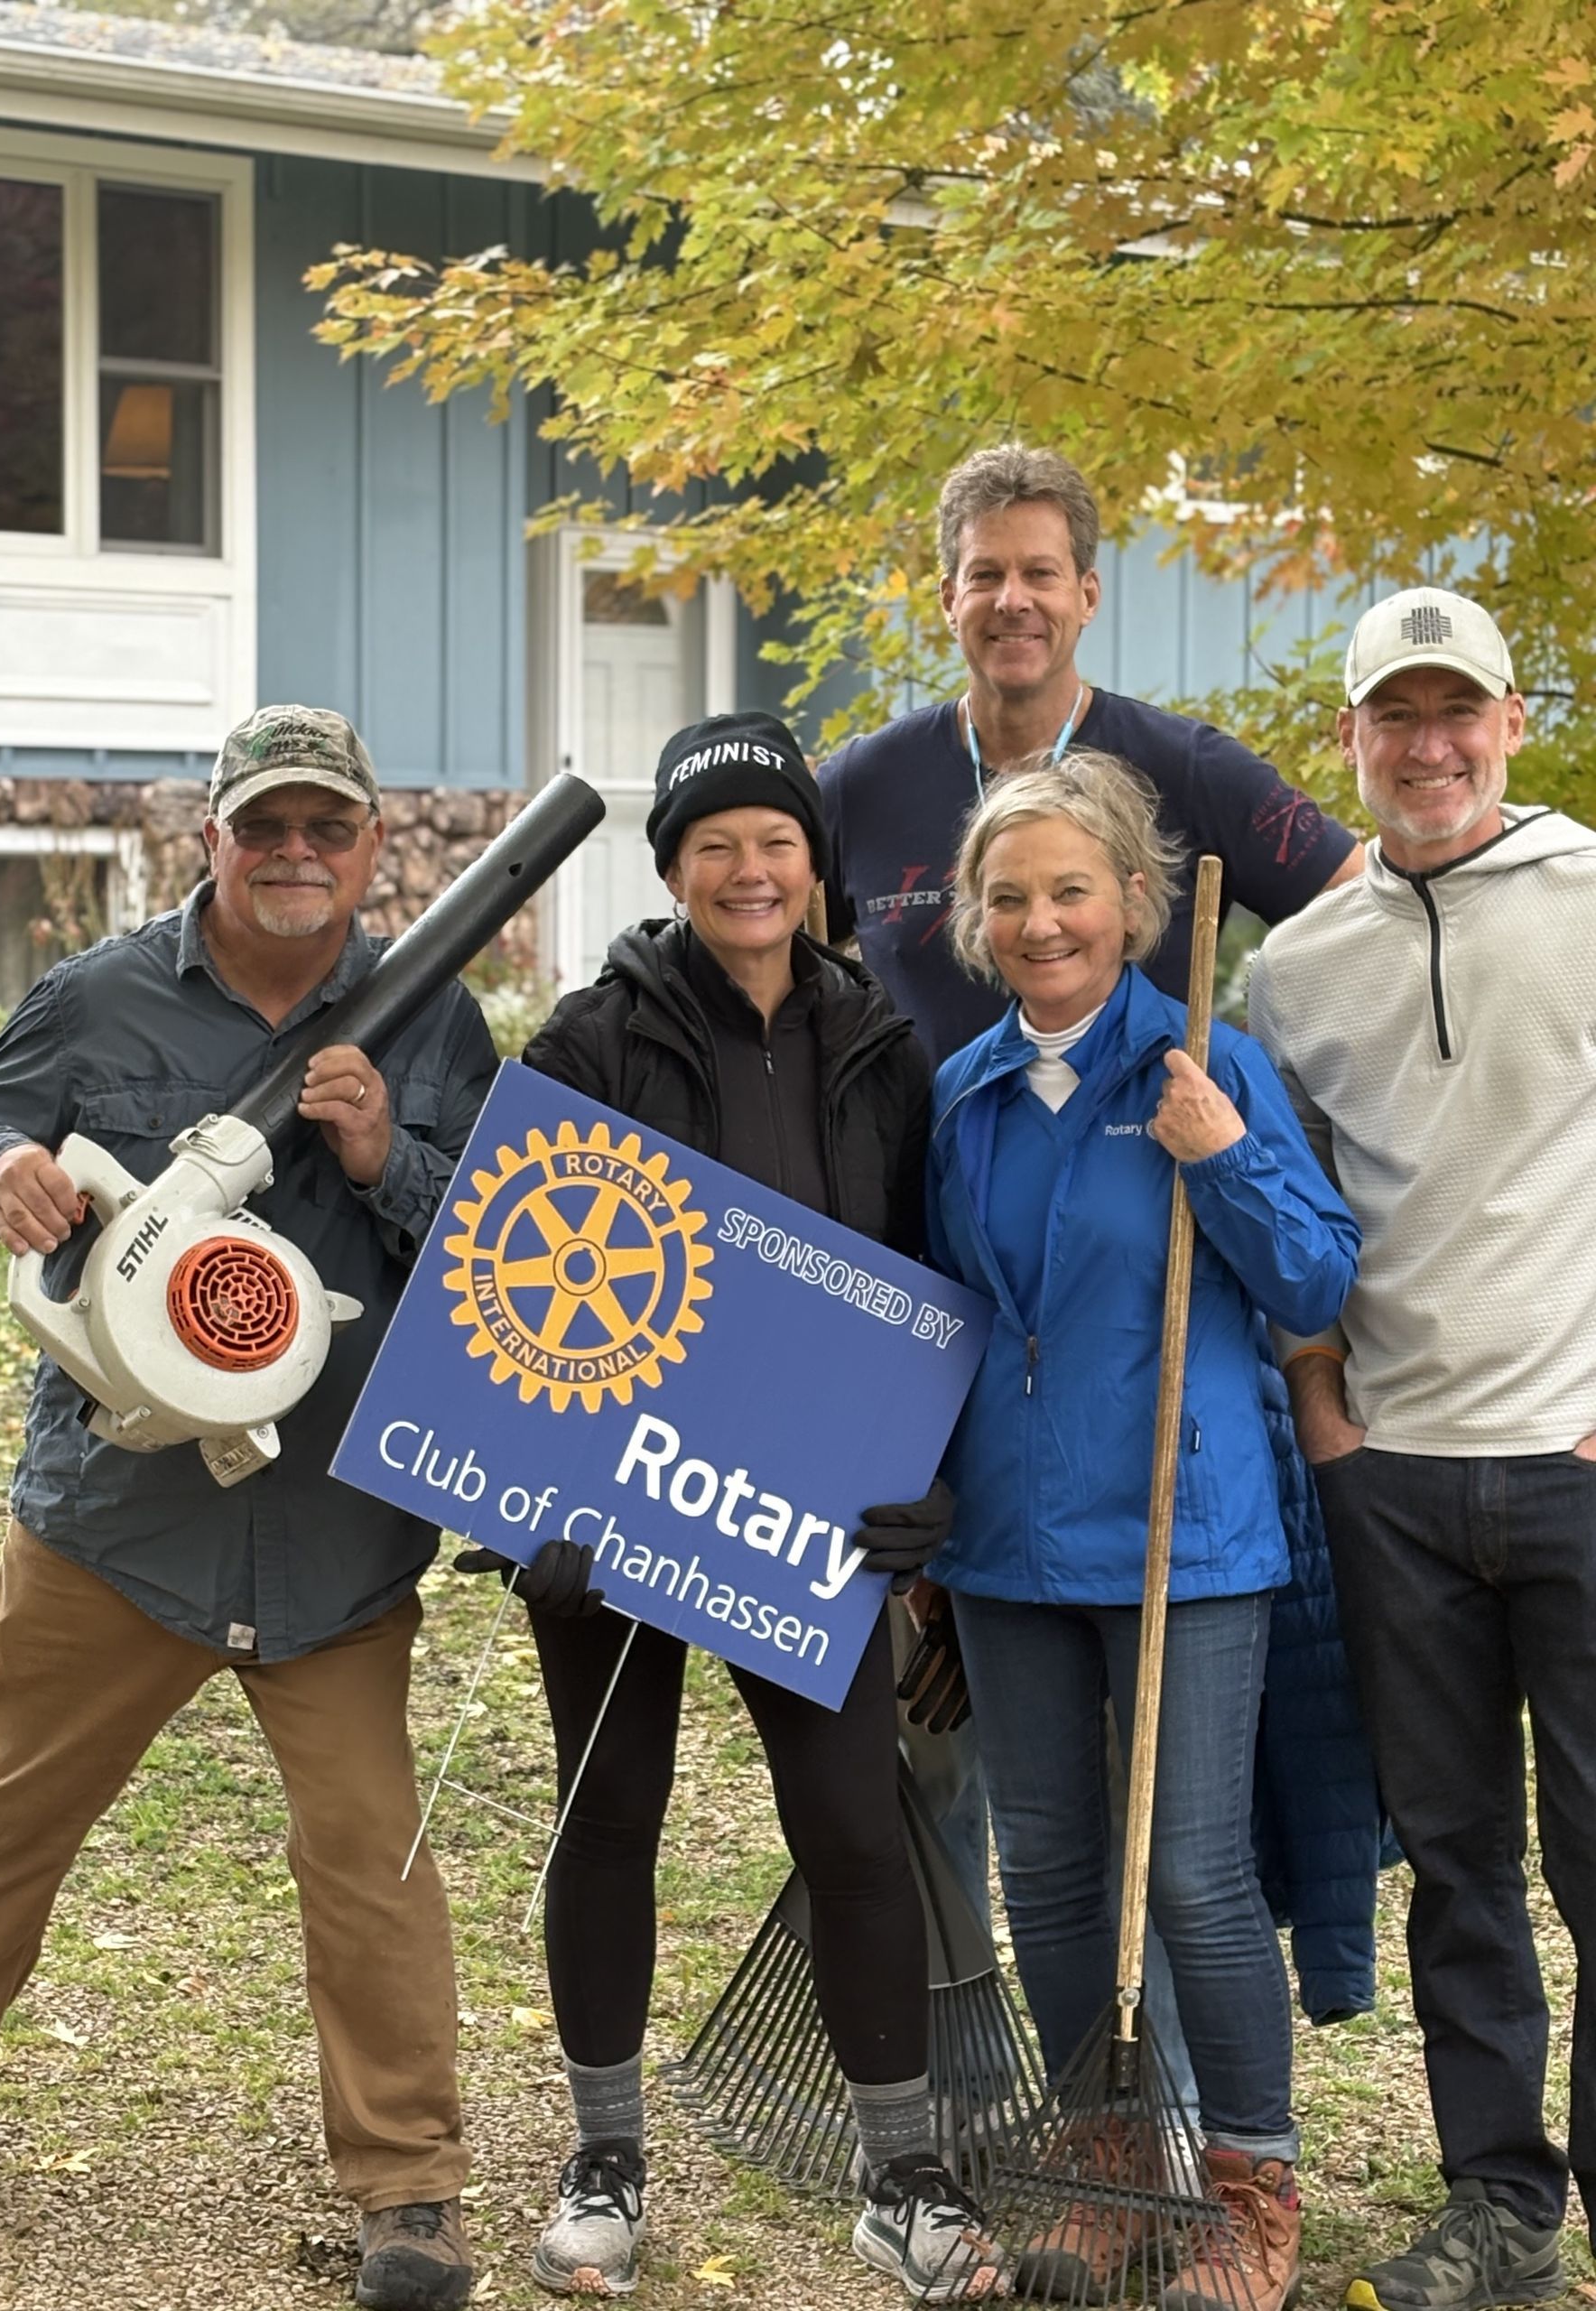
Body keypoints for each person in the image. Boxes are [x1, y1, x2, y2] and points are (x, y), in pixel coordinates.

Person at [0, 706, 497, 2311]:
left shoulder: (437, 1024)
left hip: (334, 1531)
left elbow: (501, 1252)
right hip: (115, 1513)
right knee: (2, 1821)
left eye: (326, 828)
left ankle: (411, 2190)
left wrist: (383, 1157)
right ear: (209, 835)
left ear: (371, 849)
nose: (295, 852)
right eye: (264, 824)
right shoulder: (101, 993)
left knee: (373, 1858)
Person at [461, 710, 1003, 2303]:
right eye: (716, 846)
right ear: (675, 871)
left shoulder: (884, 1049)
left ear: (813, 869)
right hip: (620, 1505)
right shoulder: (588, 1039)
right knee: (607, 1812)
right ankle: (604, 2155)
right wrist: (529, 1511)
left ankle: (902, 2171)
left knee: (851, 1823)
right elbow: (507, 1277)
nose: (749, 869)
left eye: (776, 843)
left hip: (810, 1509)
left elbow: (933, 1276)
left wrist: (933, 1486)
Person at [926, 751, 1359, 2311]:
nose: (1043, 922)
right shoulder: (964, 1095)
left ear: (1133, 903)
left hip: (1187, 1534)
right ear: (978, 921)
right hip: (1009, 1545)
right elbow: (955, 1319)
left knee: (1186, 1876)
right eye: (1012, 897)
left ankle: (1249, 2183)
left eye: (1071, 891)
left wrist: (1219, 1157)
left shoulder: (1204, 1063)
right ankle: (1111, 2167)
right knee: (1045, 1871)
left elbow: (1314, 1282)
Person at [1246, 587, 1596, 2311]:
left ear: (1513, 721)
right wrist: (1319, 1396)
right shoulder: (1297, 969)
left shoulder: (1594, 899)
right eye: (1400, 716)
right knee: (1458, 1866)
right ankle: (1501, 2206)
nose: (1432, 745)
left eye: (1461, 712)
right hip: (1395, 1483)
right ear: (1357, 742)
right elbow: (1281, 1205)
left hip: (1579, 1464)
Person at [817, 441, 1363, 1071]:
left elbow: (1362, 909)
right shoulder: (862, 786)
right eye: (986, 575)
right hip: (921, 1164)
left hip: (1146, 1162)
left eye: (1040, 574)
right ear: (949, 600)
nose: (1012, 600)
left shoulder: (1188, 769)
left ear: (1088, 596)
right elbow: (761, 950)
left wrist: (1256, 1073)